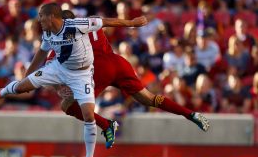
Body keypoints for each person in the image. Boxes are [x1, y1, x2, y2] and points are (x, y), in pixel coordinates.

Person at [0, 2, 148, 157]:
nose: (39, 20)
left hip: (81, 74)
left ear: (52, 17)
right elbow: (41, 55)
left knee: (89, 115)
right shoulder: (47, 33)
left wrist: (132, 23)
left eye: (42, 16)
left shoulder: (76, 25)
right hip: (59, 69)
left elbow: (105, 21)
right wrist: (28, 77)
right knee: (22, 87)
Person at [54, 10, 210, 147]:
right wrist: (132, 23)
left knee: (67, 105)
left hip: (99, 70)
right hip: (118, 62)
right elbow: (111, 22)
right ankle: (191, 114)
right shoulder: (91, 21)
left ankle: (107, 125)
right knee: (150, 98)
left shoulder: (65, 34)